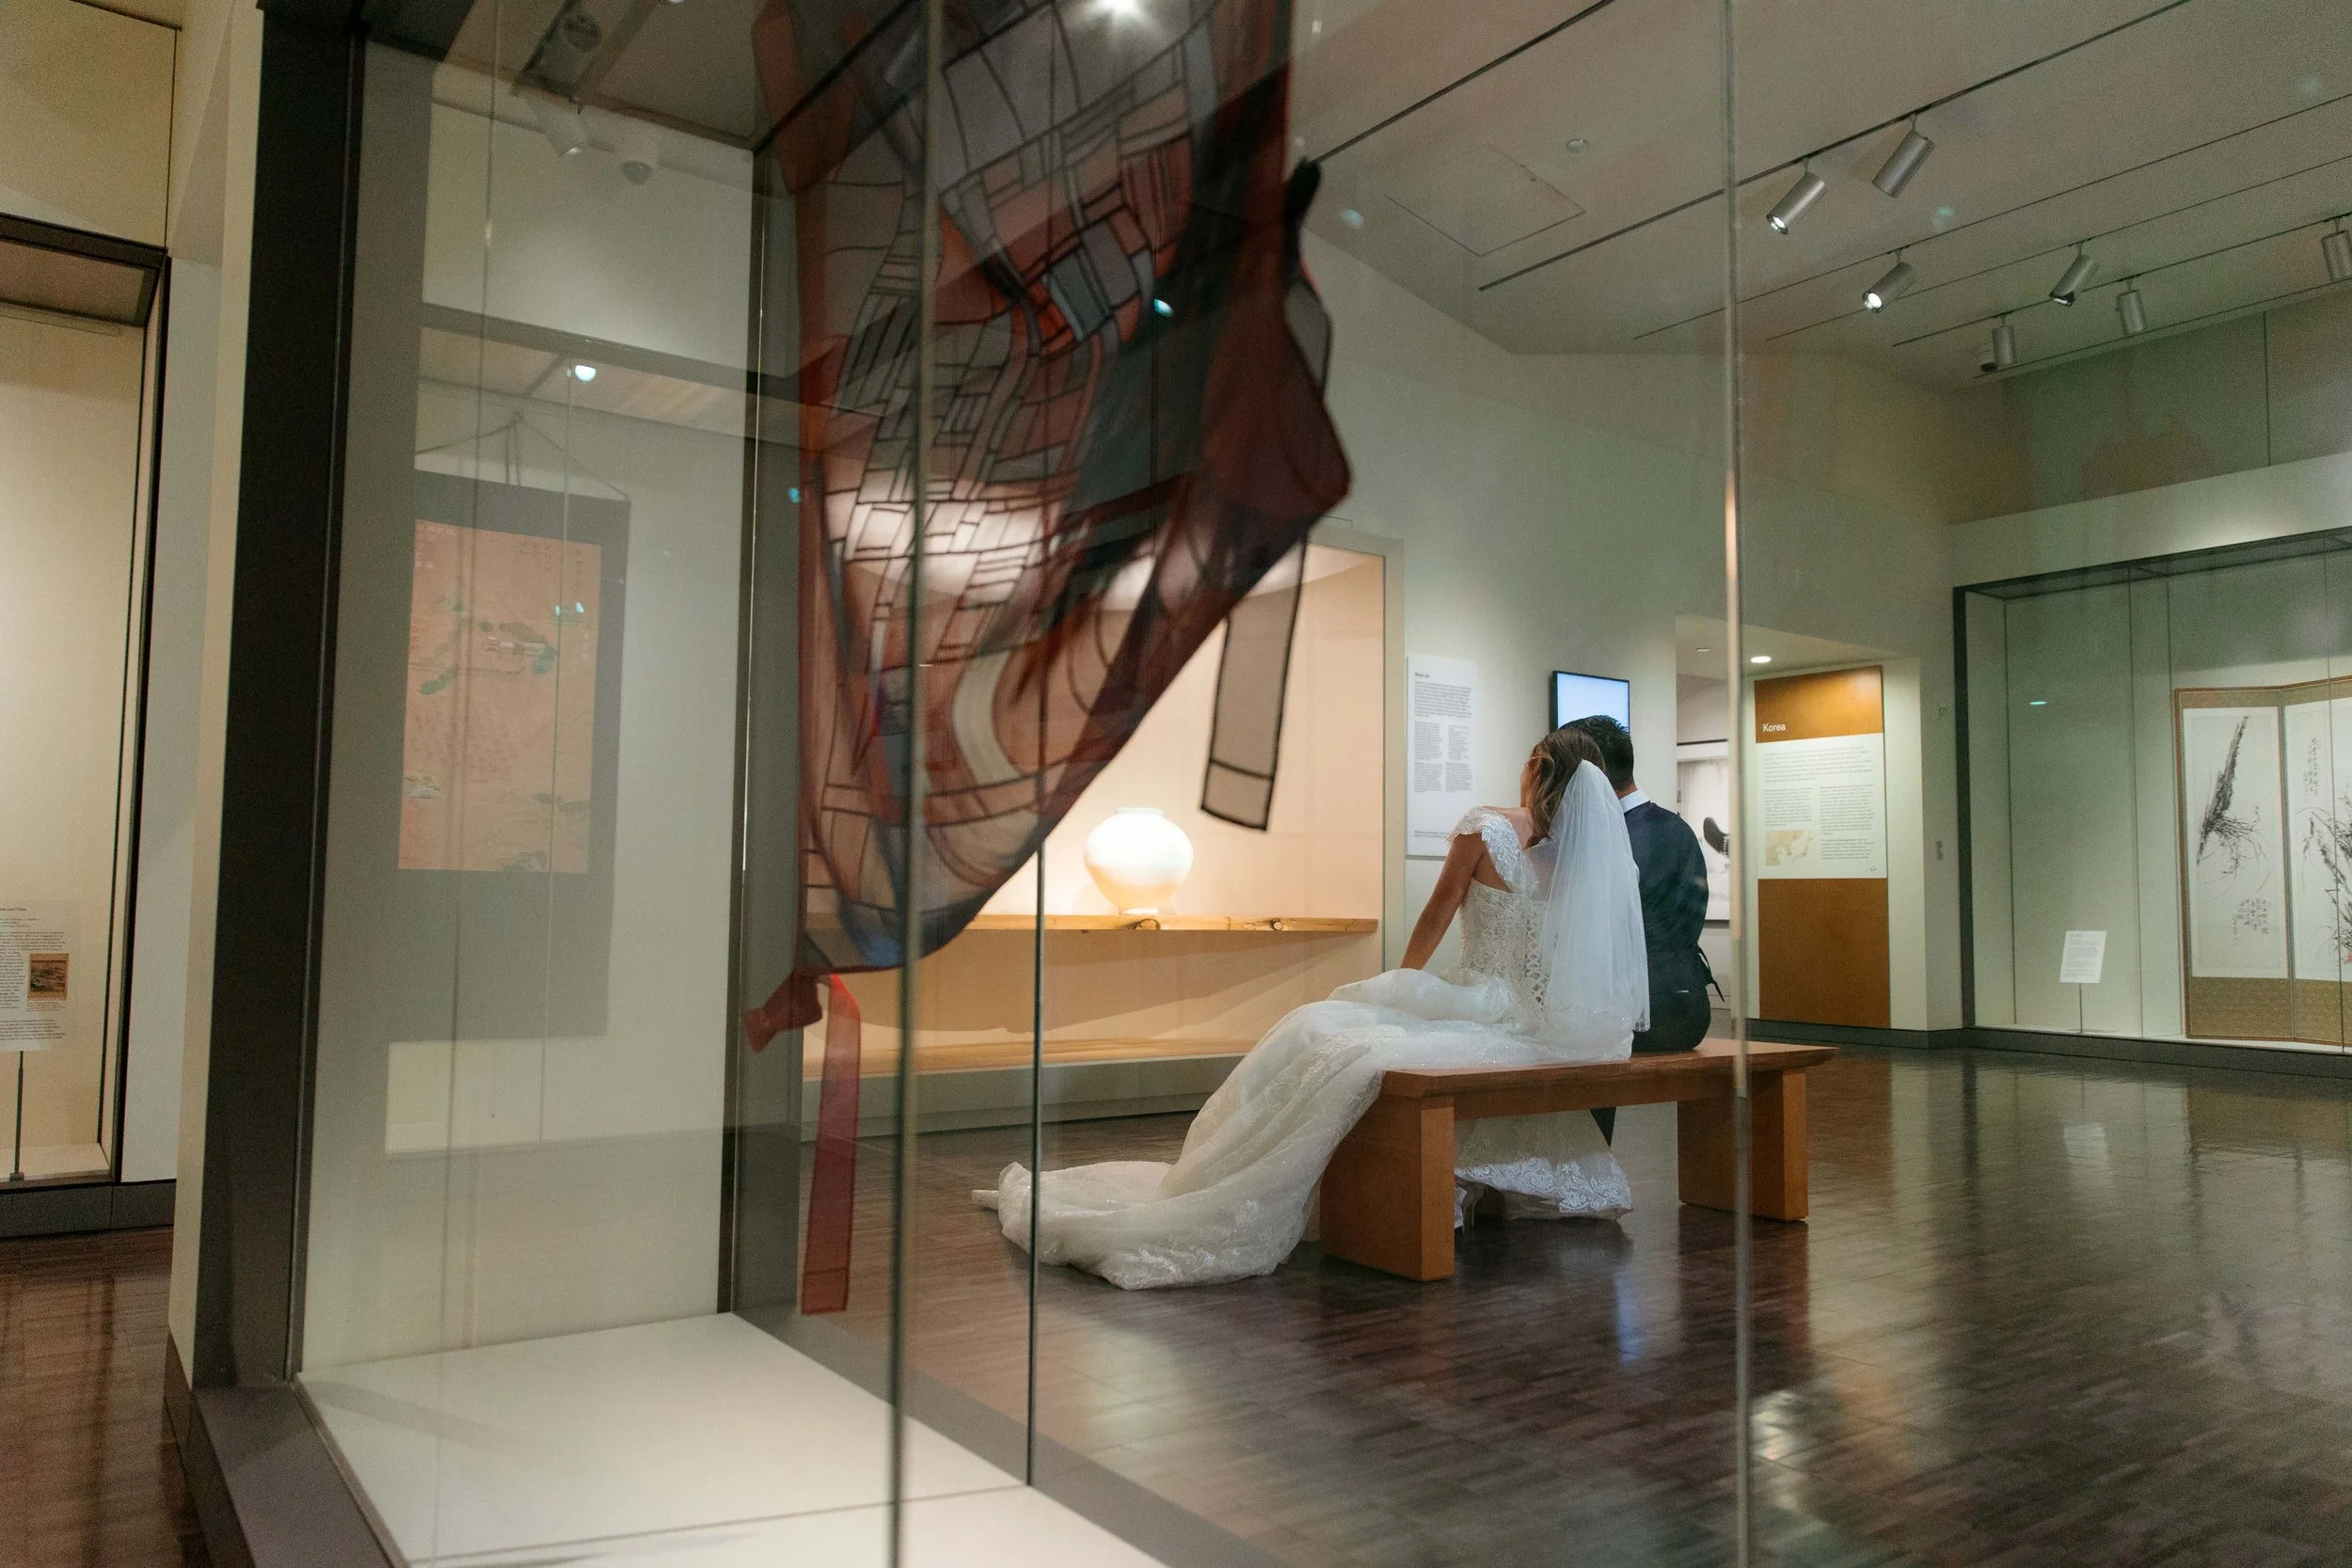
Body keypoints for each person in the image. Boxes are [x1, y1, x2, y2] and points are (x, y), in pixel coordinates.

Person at [975, 727, 1650, 1289]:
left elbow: (1435, 918)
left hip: (1475, 1000)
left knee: (1320, 1030)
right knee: (1338, 1038)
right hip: (1534, 1022)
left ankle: (1250, 1179)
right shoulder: (1585, 862)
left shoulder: (1484, 828)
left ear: (1536, 768)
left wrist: (1402, 988)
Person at [1564, 716, 1713, 1144]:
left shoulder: (1611, 836)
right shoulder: (1676, 828)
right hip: (1687, 1005)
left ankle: (1577, 1164)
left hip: (1643, 1015)